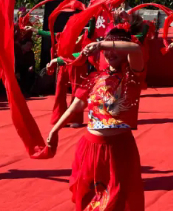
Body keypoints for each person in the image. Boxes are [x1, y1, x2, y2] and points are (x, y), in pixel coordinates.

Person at [47, 27, 145, 211]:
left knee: (116, 200)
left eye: (114, 47)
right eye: (106, 49)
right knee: (88, 198)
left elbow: (136, 48)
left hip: (119, 149)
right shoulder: (95, 77)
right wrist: (55, 130)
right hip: (90, 148)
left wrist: (101, 45)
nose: (109, 53)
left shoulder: (132, 74)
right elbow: (76, 106)